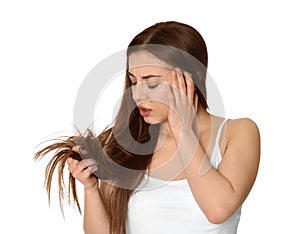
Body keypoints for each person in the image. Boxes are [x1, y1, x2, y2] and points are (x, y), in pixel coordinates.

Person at [35, 21, 260, 234]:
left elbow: (217, 210)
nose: (138, 94)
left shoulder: (238, 133)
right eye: (134, 81)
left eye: (152, 82)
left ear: (194, 78)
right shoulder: (128, 143)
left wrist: (182, 130)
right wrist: (91, 188)